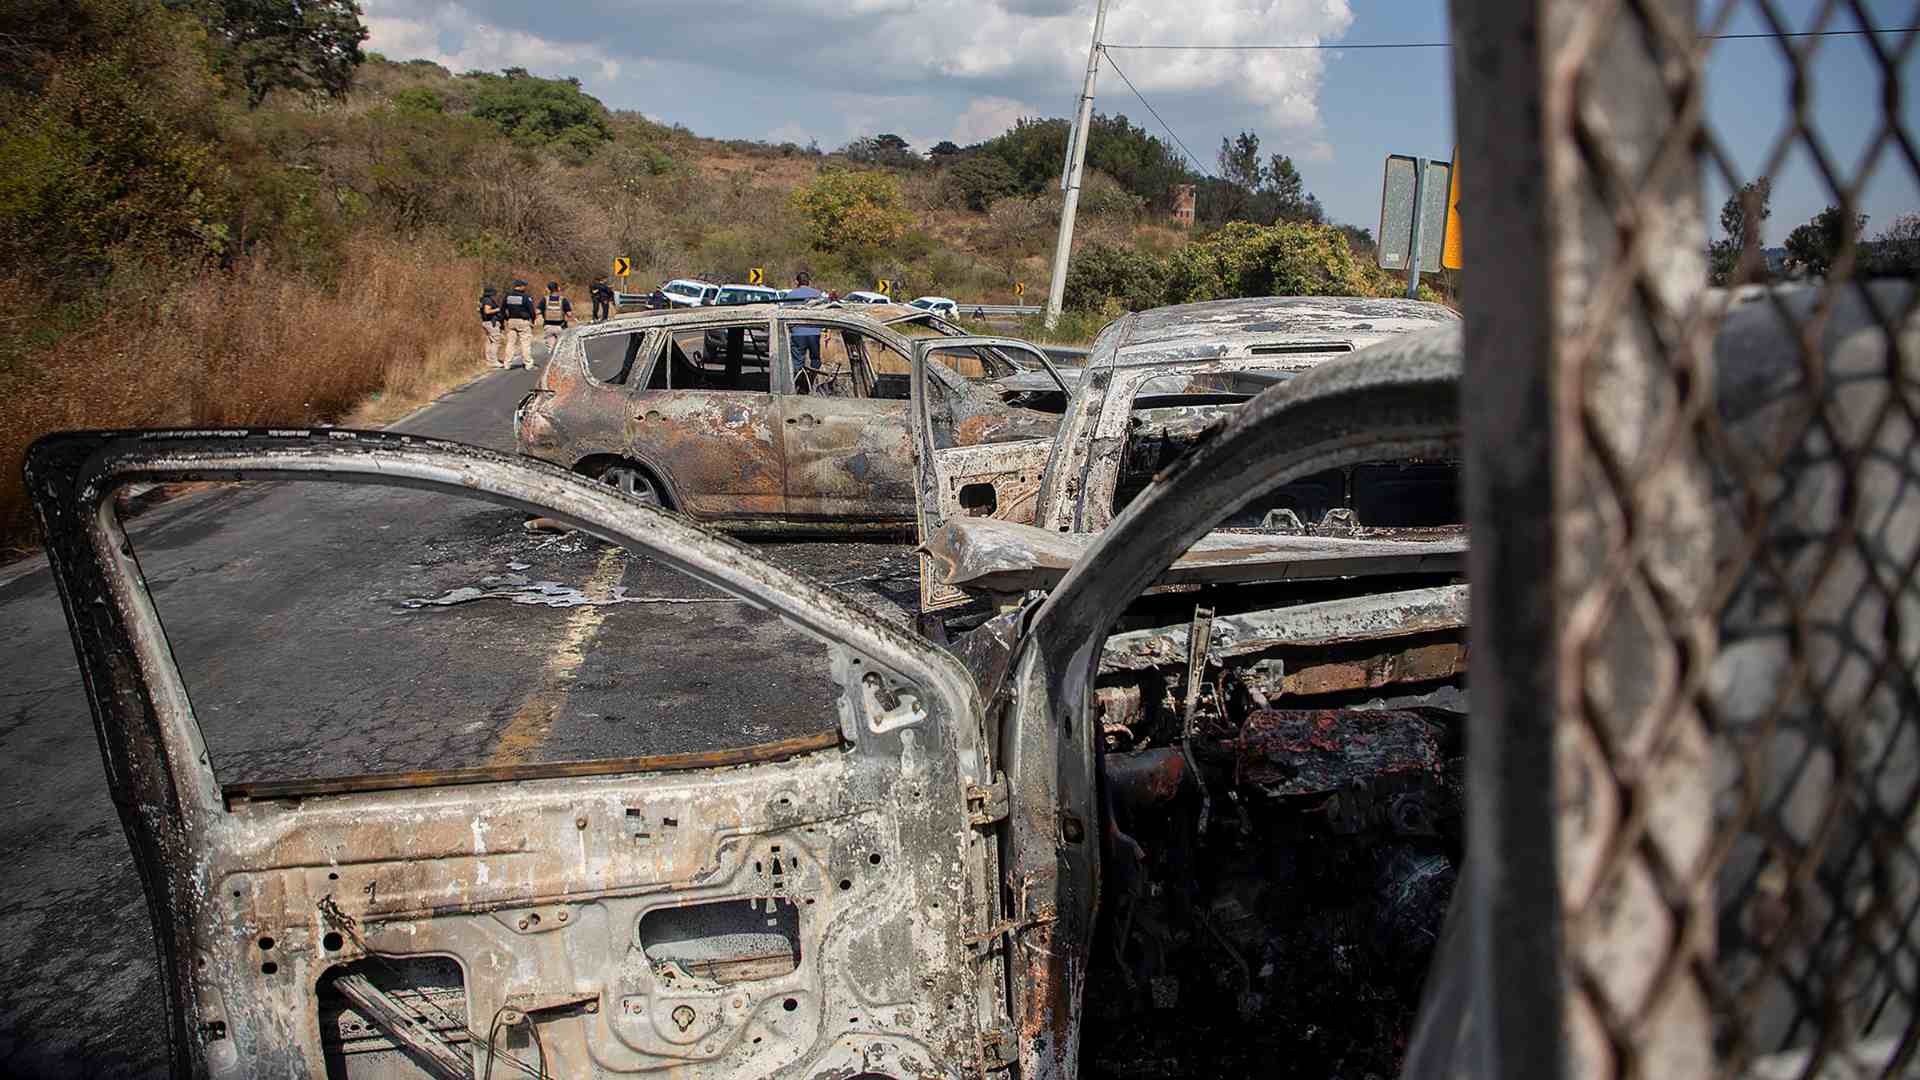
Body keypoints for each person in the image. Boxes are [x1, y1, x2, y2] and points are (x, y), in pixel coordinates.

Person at [785, 271, 825, 389]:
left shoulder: (791, 295)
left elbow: (784, 313)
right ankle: (810, 382)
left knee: (797, 361)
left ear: (797, 282)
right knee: (815, 359)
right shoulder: (818, 294)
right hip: (815, 332)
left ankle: (797, 384)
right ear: (809, 281)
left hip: (798, 333)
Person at [501, 279, 538, 370]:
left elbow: (502, 309)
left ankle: (507, 364)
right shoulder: (525, 297)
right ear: (521, 286)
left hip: (511, 321)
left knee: (510, 343)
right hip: (523, 322)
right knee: (525, 343)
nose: (525, 287)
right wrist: (532, 320)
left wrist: (506, 318)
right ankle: (528, 364)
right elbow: (531, 311)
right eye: (524, 286)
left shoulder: (507, 296)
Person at [539, 281, 572, 360]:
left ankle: (552, 365)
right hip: (560, 326)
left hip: (548, 326)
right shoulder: (563, 300)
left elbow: (538, 311)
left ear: (548, 289)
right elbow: (569, 314)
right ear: (558, 289)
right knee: (562, 347)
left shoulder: (545, 299)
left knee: (551, 349)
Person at [478, 285, 504, 367]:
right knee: (496, 341)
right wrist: (498, 309)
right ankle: (493, 361)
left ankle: (489, 360)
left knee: (489, 341)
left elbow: (479, 310)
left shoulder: (482, 300)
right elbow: (487, 311)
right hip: (491, 323)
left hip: (485, 322)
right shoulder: (488, 301)